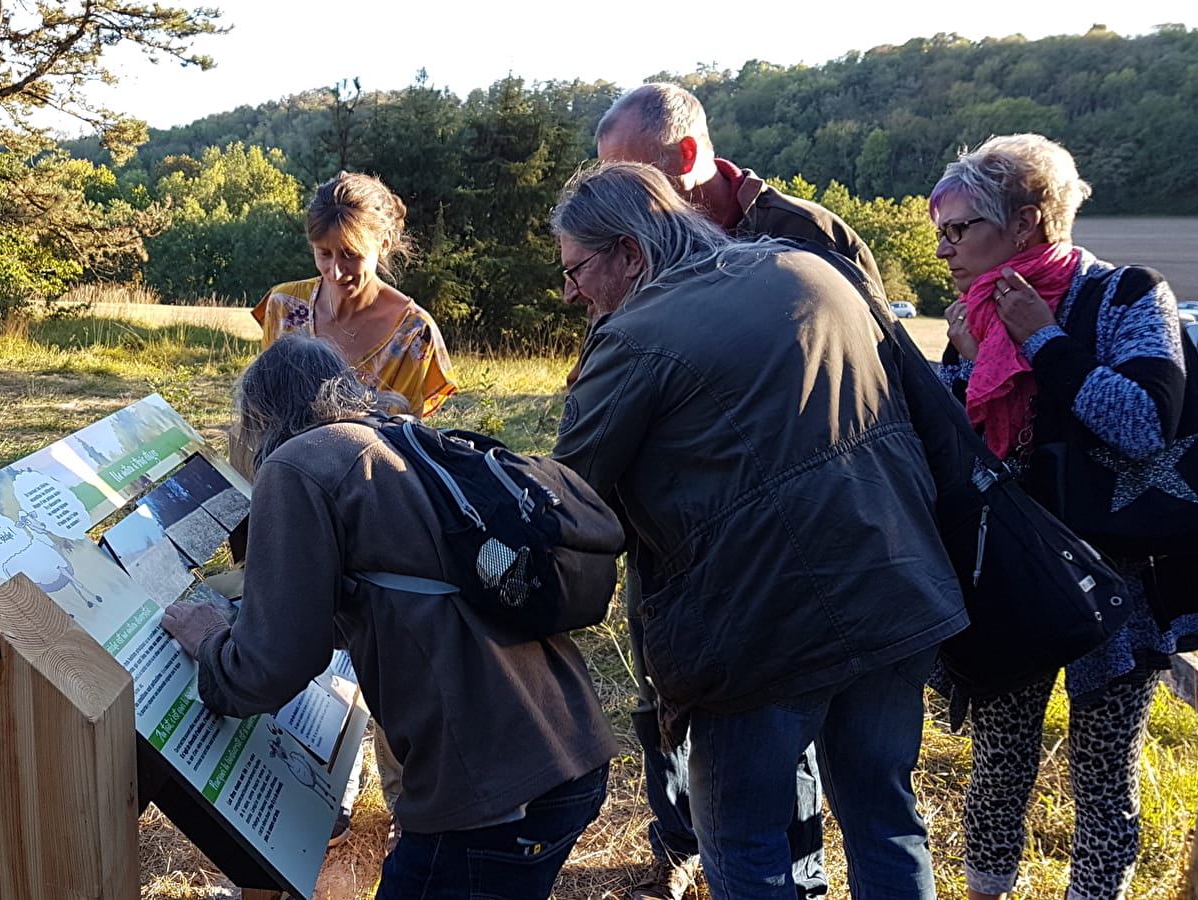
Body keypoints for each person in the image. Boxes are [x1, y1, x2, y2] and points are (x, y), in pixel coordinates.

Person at [552, 161, 966, 900]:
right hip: (898, 584)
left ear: (629, 253)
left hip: (757, 627)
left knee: (746, 842)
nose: (571, 293)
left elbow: (569, 492)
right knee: (886, 820)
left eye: (575, 271)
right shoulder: (813, 270)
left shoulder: (635, 335)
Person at [161, 334, 617, 900]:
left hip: (490, 791)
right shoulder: (397, 437)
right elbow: (391, 596)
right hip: (566, 752)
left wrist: (210, 638)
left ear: (258, 417)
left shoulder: (297, 465)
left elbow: (268, 668)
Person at [591, 81, 886, 900]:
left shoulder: (804, 234)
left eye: (634, 176)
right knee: (665, 693)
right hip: (676, 537)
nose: (622, 197)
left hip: (804, 540)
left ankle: (798, 869)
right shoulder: (631, 241)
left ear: (688, 156)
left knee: (798, 738)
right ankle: (677, 839)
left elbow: (877, 370)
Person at [930, 133, 1198, 900]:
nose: (944, 249)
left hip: (1118, 587)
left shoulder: (1127, 295)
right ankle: (987, 890)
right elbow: (957, 453)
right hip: (1012, 582)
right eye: (940, 232)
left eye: (958, 229)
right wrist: (964, 363)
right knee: (1000, 765)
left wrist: (1042, 339)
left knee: (1104, 774)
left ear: (1024, 223)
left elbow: (1143, 422)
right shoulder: (976, 315)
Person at [254, 171, 457, 417]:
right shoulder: (284, 305)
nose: (336, 272)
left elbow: (402, 429)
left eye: (350, 254)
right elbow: (264, 409)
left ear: (384, 243)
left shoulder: (413, 333)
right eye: (324, 254)